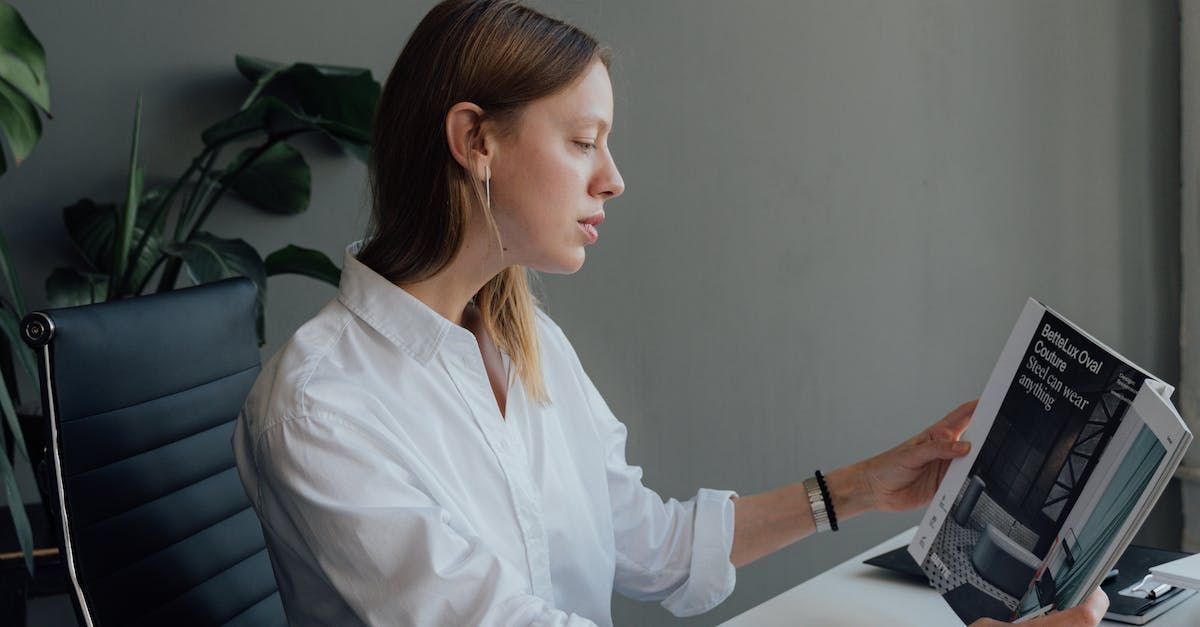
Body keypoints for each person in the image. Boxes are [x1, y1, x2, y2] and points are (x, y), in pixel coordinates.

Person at [232, 1, 1110, 625]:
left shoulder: (527, 343)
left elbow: (649, 544)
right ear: (475, 140)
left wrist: (863, 486)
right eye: (582, 142)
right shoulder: (324, 406)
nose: (612, 178)